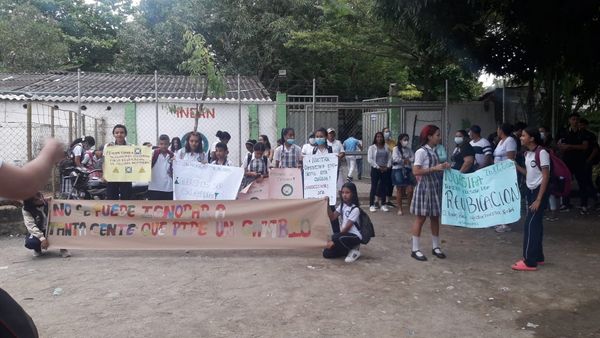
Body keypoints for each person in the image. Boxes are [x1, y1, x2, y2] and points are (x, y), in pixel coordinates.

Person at [0, 139, 64, 338]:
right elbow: (25, 184)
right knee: (22, 329)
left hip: (49, 233)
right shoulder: (28, 210)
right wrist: (51, 149)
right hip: (39, 234)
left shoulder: (47, 205)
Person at [410, 125, 450, 261]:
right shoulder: (421, 152)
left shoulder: (434, 151)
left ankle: (436, 246)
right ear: (429, 136)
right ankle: (415, 249)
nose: (439, 137)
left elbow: (435, 168)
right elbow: (416, 171)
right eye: (437, 135)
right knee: (420, 218)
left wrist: (443, 167)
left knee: (434, 217)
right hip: (424, 187)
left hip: (434, 186)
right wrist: (434, 168)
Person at [512, 127, 550, 271]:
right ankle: (538, 256)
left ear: (532, 138)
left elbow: (546, 176)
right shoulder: (528, 154)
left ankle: (529, 261)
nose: (521, 138)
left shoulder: (542, 152)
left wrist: (539, 199)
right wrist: (516, 167)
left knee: (530, 225)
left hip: (539, 193)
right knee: (536, 224)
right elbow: (530, 173)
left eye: (523, 135)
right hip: (531, 191)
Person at [557, 113, 590, 213]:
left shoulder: (583, 133)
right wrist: (562, 147)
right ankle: (565, 204)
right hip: (567, 161)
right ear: (569, 120)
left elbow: (585, 146)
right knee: (566, 182)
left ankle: (584, 204)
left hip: (580, 161)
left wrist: (570, 146)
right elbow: (559, 145)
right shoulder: (564, 132)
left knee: (582, 183)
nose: (575, 121)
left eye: (577, 120)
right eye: (573, 119)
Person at [323, 182, 362, 263]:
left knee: (335, 237)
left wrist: (333, 242)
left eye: (347, 192)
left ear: (353, 194)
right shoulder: (342, 205)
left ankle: (354, 249)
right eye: (343, 192)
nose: (344, 195)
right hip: (344, 236)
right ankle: (345, 251)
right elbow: (332, 217)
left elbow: (345, 230)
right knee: (326, 253)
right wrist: (327, 204)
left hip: (354, 237)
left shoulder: (355, 209)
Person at [22, 192, 71, 258]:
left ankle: (63, 248)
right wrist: (42, 238)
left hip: (53, 228)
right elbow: (30, 225)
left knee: (65, 229)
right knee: (31, 242)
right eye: (36, 200)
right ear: (31, 203)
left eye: (41, 196)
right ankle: (37, 248)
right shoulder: (27, 210)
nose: (41, 199)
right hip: (39, 230)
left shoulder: (50, 202)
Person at [493, 123, 517, 232]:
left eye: (498, 129)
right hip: (498, 173)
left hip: (505, 174)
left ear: (501, 130)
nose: (497, 131)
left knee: (505, 197)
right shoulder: (501, 141)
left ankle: (506, 223)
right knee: (499, 196)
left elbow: (510, 159)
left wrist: (504, 173)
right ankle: (500, 220)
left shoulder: (510, 141)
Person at [103, 124, 133, 200]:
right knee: (111, 197)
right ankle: (113, 212)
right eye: (117, 132)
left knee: (126, 198)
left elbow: (136, 160)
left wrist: (147, 148)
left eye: (122, 132)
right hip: (112, 175)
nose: (119, 134)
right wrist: (104, 174)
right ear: (113, 134)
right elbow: (105, 161)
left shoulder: (131, 146)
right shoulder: (108, 146)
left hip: (126, 176)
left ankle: (125, 212)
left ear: (125, 134)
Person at [392, 134, 416, 216]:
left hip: (408, 170)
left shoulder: (409, 149)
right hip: (398, 169)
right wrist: (405, 160)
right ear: (400, 140)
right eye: (405, 139)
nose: (406, 141)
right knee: (399, 189)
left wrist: (405, 160)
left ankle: (410, 207)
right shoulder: (395, 149)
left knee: (410, 189)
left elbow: (413, 158)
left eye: (407, 140)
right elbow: (395, 158)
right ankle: (400, 208)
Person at [367, 132, 392, 212]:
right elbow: (370, 159)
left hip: (385, 169)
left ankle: (383, 204)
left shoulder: (386, 146)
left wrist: (387, 166)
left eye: (381, 137)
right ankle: (371, 204)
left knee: (384, 187)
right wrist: (378, 167)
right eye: (377, 137)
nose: (379, 138)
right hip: (376, 169)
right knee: (374, 187)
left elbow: (390, 158)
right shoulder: (372, 147)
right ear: (375, 138)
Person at [148, 134, 174, 200]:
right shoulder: (153, 153)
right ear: (158, 144)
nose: (163, 146)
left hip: (169, 188)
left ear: (169, 144)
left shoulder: (172, 155)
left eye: (166, 144)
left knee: (168, 209)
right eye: (161, 144)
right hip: (154, 187)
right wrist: (146, 149)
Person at [383, 127, 396, 207]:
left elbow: (395, 151)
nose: (387, 133)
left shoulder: (393, 142)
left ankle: (388, 200)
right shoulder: (381, 142)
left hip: (392, 165)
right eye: (386, 132)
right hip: (383, 165)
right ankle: (379, 200)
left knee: (390, 183)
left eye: (388, 131)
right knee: (382, 183)